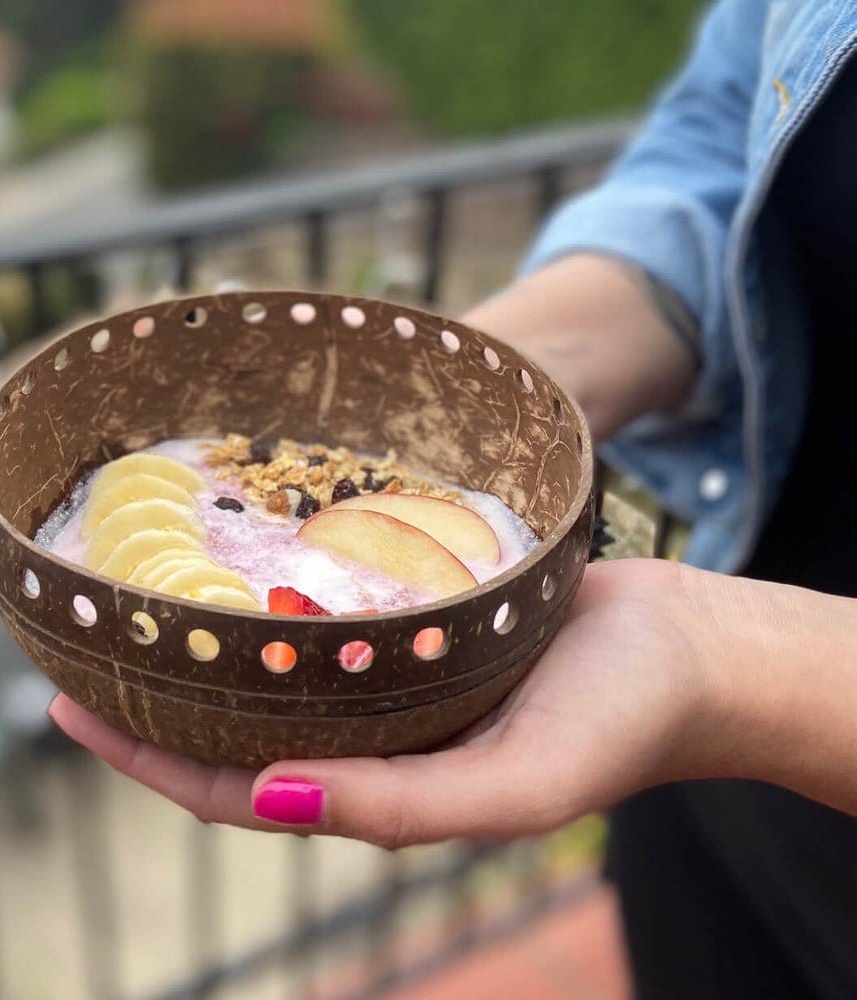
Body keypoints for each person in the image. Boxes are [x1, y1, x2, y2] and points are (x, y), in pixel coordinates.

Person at [49, 2, 857, 996]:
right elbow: (720, 152)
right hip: (712, 794)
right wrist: (485, 392)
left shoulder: (704, 659)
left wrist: (728, 665)